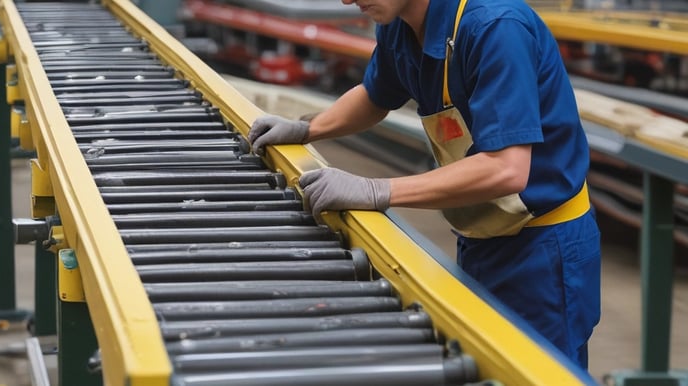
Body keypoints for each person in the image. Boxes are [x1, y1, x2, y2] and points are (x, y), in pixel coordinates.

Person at [248, 0, 600, 370]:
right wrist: (306, 128)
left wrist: (377, 191)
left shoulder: (495, 27)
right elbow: (375, 96)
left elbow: (506, 169)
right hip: (482, 235)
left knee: (541, 372)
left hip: (544, 252)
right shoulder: (401, 22)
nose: (347, 0)